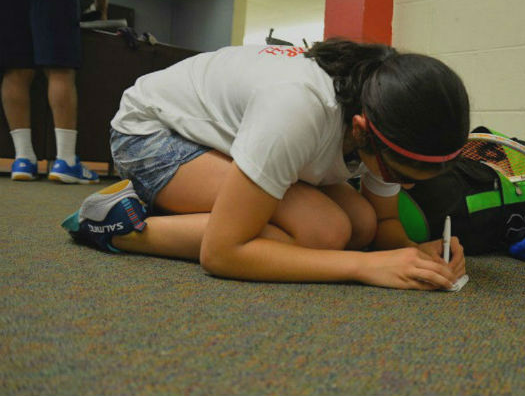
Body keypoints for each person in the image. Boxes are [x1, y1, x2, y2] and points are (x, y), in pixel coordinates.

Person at [63, 39, 471, 290]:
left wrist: (416, 255)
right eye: (399, 176)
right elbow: (222, 255)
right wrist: (364, 265)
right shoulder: (299, 108)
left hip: (227, 139)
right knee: (323, 231)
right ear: (362, 131)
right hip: (152, 134)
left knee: (360, 223)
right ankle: (118, 225)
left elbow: (381, 224)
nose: (405, 187)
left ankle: (213, 206)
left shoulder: (385, 106)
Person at [0, 0, 110, 183]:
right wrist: (101, 7)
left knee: (15, 68)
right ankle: (66, 161)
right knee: (59, 66)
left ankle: (23, 159)